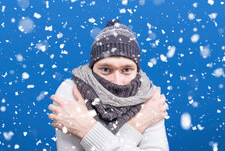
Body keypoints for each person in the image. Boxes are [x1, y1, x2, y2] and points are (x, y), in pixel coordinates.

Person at [48, 19, 169, 150]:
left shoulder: (148, 96)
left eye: (126, 70)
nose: (117, 81)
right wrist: (138, 124)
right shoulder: (71, 90)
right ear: (92, 68)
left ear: (137, 71)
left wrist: (87, 130)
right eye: (106, 70)